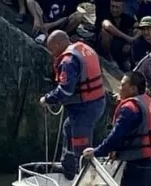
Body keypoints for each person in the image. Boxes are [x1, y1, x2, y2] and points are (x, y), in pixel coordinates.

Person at [82, 71, 151, 186]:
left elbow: (116, 136)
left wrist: (96, 152)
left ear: (133, 89)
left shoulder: (130, 108)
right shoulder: (150, 104)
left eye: (123, 85)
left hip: (141, 165)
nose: (119, 88)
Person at [41, 32, 108, 177]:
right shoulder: (82, 48)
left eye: (52, 49)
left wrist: (47, 99)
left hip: (85, 107)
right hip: (97, 101)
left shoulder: (68, 62)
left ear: (58, 44)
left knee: (81, 143)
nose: (52, 54)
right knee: (68, 127)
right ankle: (69, 167)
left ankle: (84, 176)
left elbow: (65, 91)